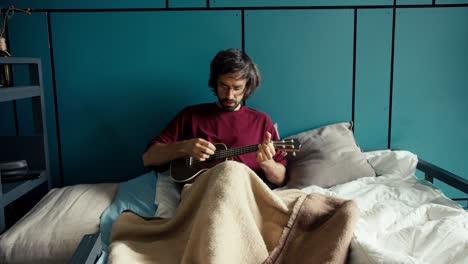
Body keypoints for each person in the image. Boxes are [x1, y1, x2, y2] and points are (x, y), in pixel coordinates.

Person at [142, 48, 286, 188]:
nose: (229, 96)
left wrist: (267, 163)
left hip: (246, 196)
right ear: (215, 83)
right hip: (202, 194)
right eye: (223, 86)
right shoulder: (191, 115)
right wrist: (184, 147)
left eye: (237, 88)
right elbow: (148, 158)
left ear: (247, 87)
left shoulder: (261, 121)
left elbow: (281, 179)